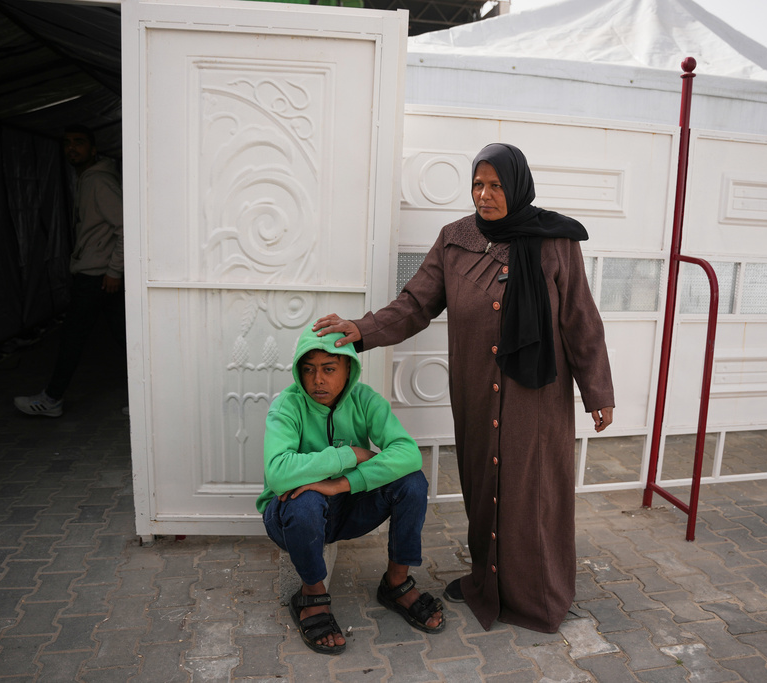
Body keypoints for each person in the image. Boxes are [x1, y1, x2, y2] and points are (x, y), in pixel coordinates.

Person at [314, 142, 615, 634]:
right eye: (478, 184)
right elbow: (415, 303)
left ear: (516, 186)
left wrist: (597, 391)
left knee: (532, 492)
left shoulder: (555, 241)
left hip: (536, 397)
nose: (485, 194)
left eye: (496, 185)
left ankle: (536, 596)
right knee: (483, 487)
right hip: (476, 391)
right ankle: (487, 581)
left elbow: (580, 318)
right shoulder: (454, 240)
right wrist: (363, 329)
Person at [258, 325, 445, 655]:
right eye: (309, 369)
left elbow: (408, 453)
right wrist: (350, 455)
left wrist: (340, 484)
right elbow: (277, 473)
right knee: (306, 500)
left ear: (349, 369)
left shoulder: (365, 400)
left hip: (346, 508)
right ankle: (311, 596)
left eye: (329, 369)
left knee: (412, 482)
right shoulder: (286, 406)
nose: (318, 380)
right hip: (290, 517)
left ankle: (396, 583)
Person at [14, 125, 125, 417]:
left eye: (79, 143)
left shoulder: (99, 182)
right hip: (98, 274)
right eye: (67, 144)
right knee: (127, 339)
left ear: (93, 148)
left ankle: (52, 398)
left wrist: (114, 271)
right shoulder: (88, 179)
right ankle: (151, 397)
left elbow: (126, 226)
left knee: (73, 338)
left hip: (97, 276)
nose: (72, 148)